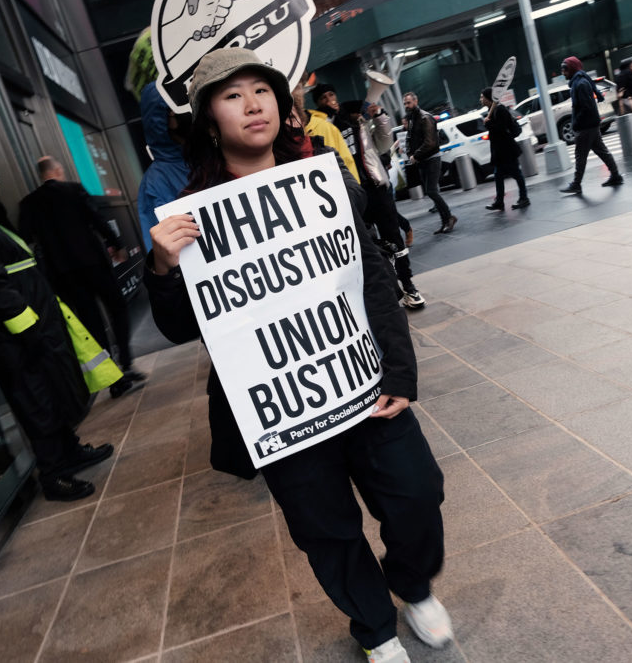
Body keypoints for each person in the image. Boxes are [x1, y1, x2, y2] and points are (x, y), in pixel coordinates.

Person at [145, 48, 448, 663]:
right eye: (232, 95)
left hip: (362, 380)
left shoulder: (326, 178)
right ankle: (377, 630)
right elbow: (181, 328)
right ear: (208, 117)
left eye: (262, 90)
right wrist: (163, 267)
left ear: (282, 104)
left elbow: (371, 277)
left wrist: (399, 370)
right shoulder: (190, 210)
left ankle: (411, 586)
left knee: (418, 494)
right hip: (283, 406)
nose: (252, 103)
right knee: (326, 529)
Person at [0, 151, 116, 501]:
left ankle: (69, 452)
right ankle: (54, 475)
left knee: (49, 388)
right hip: (16, 332)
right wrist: (27, 327)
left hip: (30, 322)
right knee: (36, 398)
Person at [18, 157, 147, 398]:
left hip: (63, 273)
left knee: (90, 321)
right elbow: (96, 219)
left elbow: (24, 236)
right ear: (57, 170)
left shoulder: (29, 203)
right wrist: (116, 244)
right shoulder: (74, 190)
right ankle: (126, 363)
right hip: (93, 263)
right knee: (117, 308)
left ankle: (113, 377)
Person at [339, 99, 425, 309]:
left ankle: (408, 285)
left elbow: (385, 141)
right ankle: (387, 291)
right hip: (352, 194)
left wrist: (379, 115)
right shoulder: (332, 129)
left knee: (393, 238)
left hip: (376, 188)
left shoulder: (363, 127)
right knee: (367, 245)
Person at [137, 82, 191, 252]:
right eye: (176, 106)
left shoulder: (212, 155)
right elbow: (162, 251)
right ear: (164, 117)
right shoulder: (156, 181)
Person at [559, 57, 624, 194]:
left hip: (585, 126)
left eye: (565, 69)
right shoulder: (579, 82)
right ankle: (616, 175)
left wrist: (576, 122)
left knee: (580, 156)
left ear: (571, 69)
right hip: (590, 125)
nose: (563, 73)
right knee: (601, 151)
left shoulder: (580, 84)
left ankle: (576, 184)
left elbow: (586, 107)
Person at [404, 91, 456, 234]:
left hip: (431, 159)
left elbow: (430, 143)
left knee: (432, 191)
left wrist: (415, 155)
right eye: (405, 103)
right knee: (431, 191)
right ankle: (445, 220)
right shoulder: (413, 119)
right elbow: (409, 139)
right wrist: (410, 154)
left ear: (416, 101)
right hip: (422, 160)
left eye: (408, 102)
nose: (406, 106)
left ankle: (449, 217)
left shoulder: (425, 117)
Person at [480, 87, 529, 210]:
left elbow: (501, 129)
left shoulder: (500, 110)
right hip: (500, 152)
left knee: (516, 174)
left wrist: (488, 123)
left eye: (482, 97)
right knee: (498, 176)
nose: (480, 99)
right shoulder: (492, 111)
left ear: (488, 98)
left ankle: (524, 198)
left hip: (507, 150)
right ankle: (499, 201)